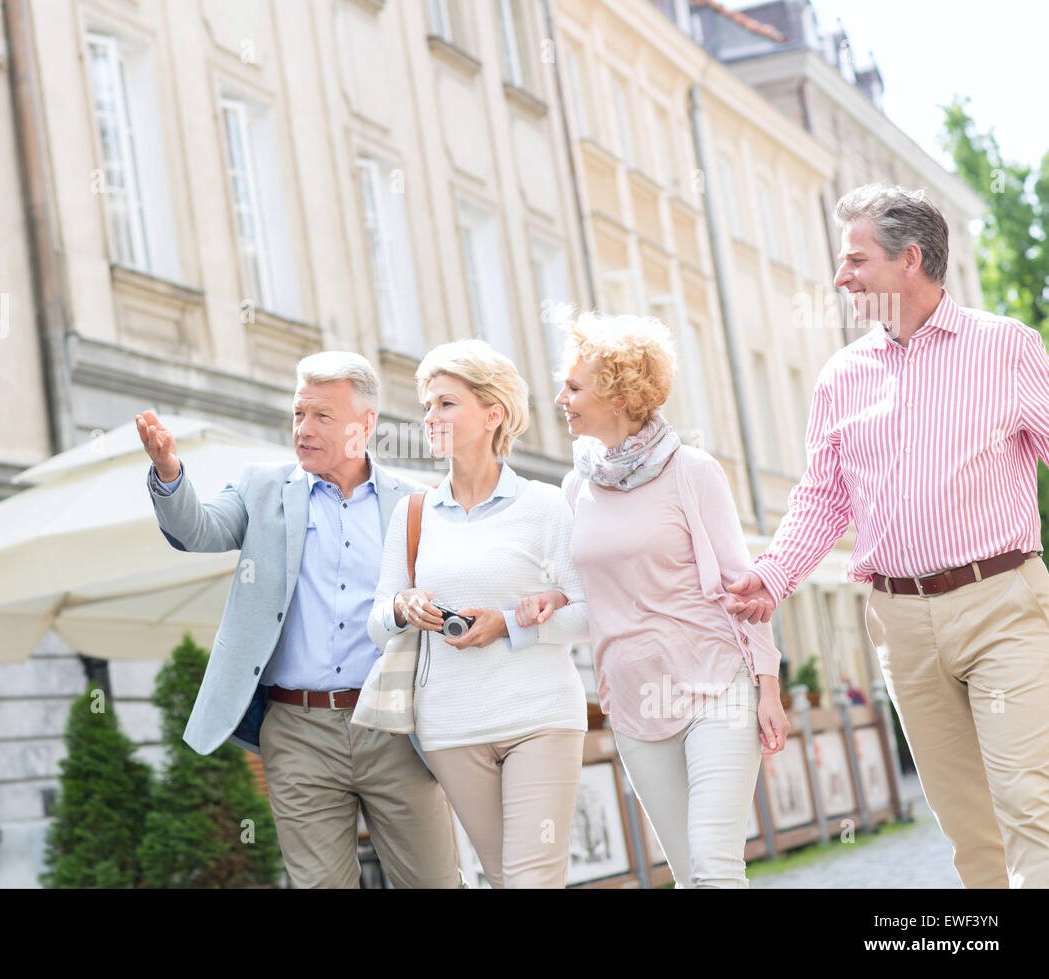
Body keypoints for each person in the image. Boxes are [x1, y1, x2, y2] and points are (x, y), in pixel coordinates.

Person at [726, 183, 1049, 888]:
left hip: (1002, 603)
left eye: (855, 260)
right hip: (899, 620)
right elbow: (823, 495)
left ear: (909, 260)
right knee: (967, 822)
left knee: (1029, 800)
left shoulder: (1007, 347)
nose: (841, 277)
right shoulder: (842, 376)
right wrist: (773, 574)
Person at [136, 351, 460, 889]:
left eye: (322, 417)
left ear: (366, 425)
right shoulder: (262, 489)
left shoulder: (418, 504)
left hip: (394, 725)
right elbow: (200, 531)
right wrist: (169, 474)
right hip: (297, 730)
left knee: (435, 882)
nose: (303, 430)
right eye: (298, 414)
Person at [534, 311, 789, 888]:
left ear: (619, 395)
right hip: (630, 699)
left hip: (715, 685)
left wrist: (767, 687)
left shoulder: (691, 471)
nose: (560, 397)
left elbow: (741, 588)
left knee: (714, 864)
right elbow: (582, 601)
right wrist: (536, 608)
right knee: (684, 869)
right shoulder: (576, 488)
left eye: (574, 387)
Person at [367, 339, 589, 888]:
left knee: (532, 880)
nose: (430, 416)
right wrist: (402, 605)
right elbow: (377, 621)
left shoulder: (543, 506)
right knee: (501, 877)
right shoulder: (413, 513)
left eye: (446, 403)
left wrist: (508, 625)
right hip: (452, 727)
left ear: (492, 414)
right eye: (427, 405)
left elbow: (590, 614)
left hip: (540, 720)